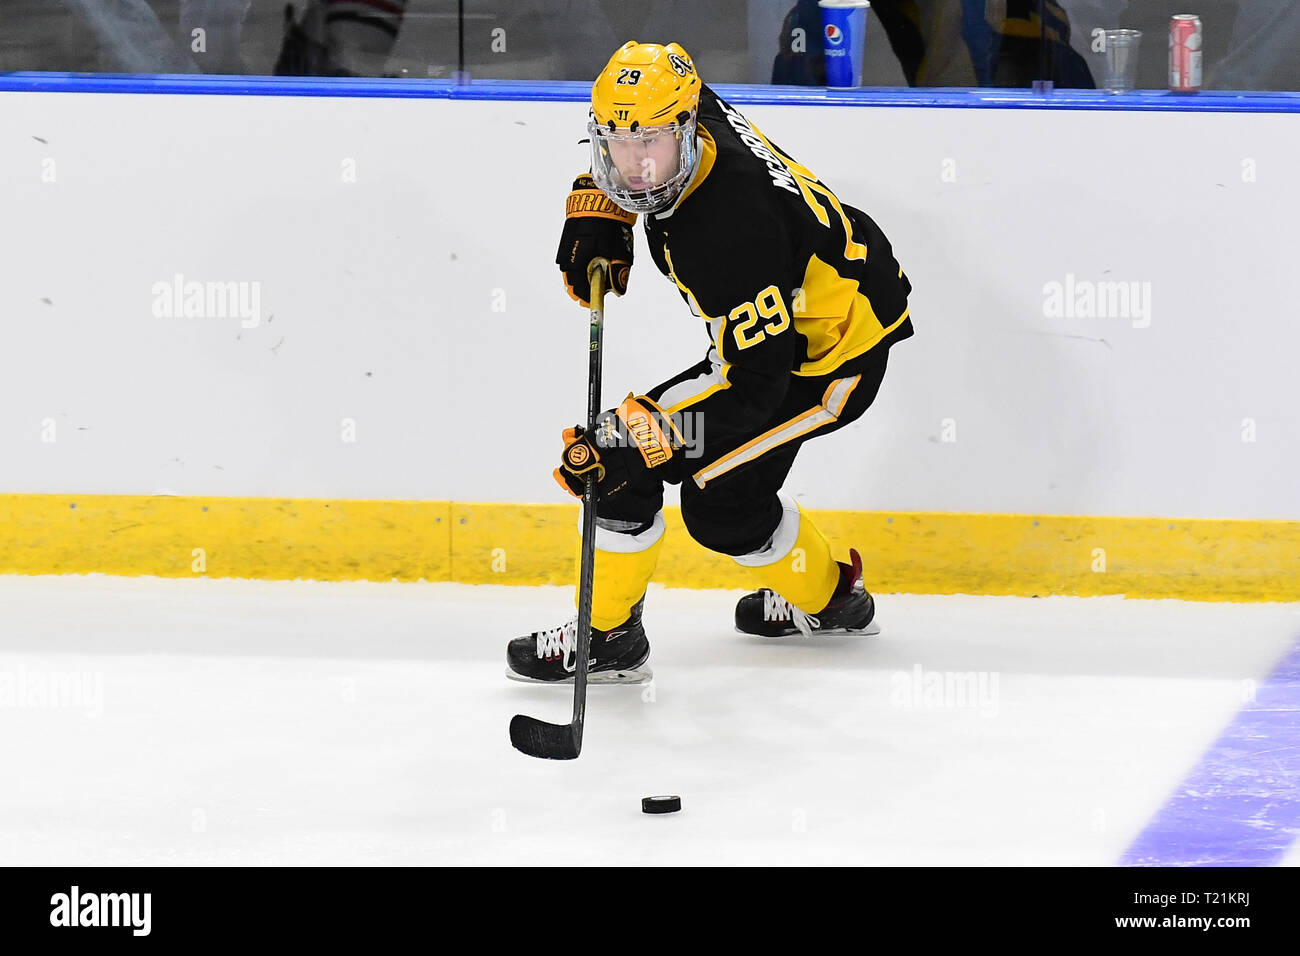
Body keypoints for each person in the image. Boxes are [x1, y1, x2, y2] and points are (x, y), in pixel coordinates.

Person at [507, 41, 914, 684]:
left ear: (687, 128)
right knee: (721, 507)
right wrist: (603, 206)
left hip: (832, 362)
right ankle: (834, 600)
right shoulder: (687, 106)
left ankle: (610, 639)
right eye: (618, 142)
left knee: (619, 457)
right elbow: (641, 127)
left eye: (653, 145)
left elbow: (756, 384)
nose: (636, 166)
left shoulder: (727, 231)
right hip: (791, 329)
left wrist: (650, 434)